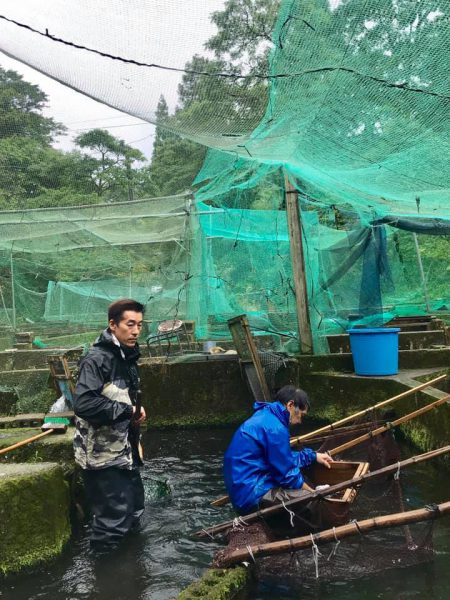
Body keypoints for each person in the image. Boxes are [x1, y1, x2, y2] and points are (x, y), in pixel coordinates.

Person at [73, 298, 147, 548]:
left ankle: (134, 572)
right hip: (102, 458)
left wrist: (133, 415)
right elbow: (84, 404)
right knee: (111, 524)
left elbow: (122, 398)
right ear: (113, 325)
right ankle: (106, 579)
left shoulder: (127, 356)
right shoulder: (96, 359)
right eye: (130, 324)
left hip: (125, 451)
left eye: (139, 324)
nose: (136, 330)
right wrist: (126, 411)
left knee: (135, 509)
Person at [223, 385, 333, 515]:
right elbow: (287, 474)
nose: (299, 421)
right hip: (251, 495)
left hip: (242, 488)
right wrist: (312, 493)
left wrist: (313, 456)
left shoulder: (266, 414)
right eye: (301, 415)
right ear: (290, 405)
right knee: (310, 501)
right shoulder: (275, 429)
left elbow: (282, 458)